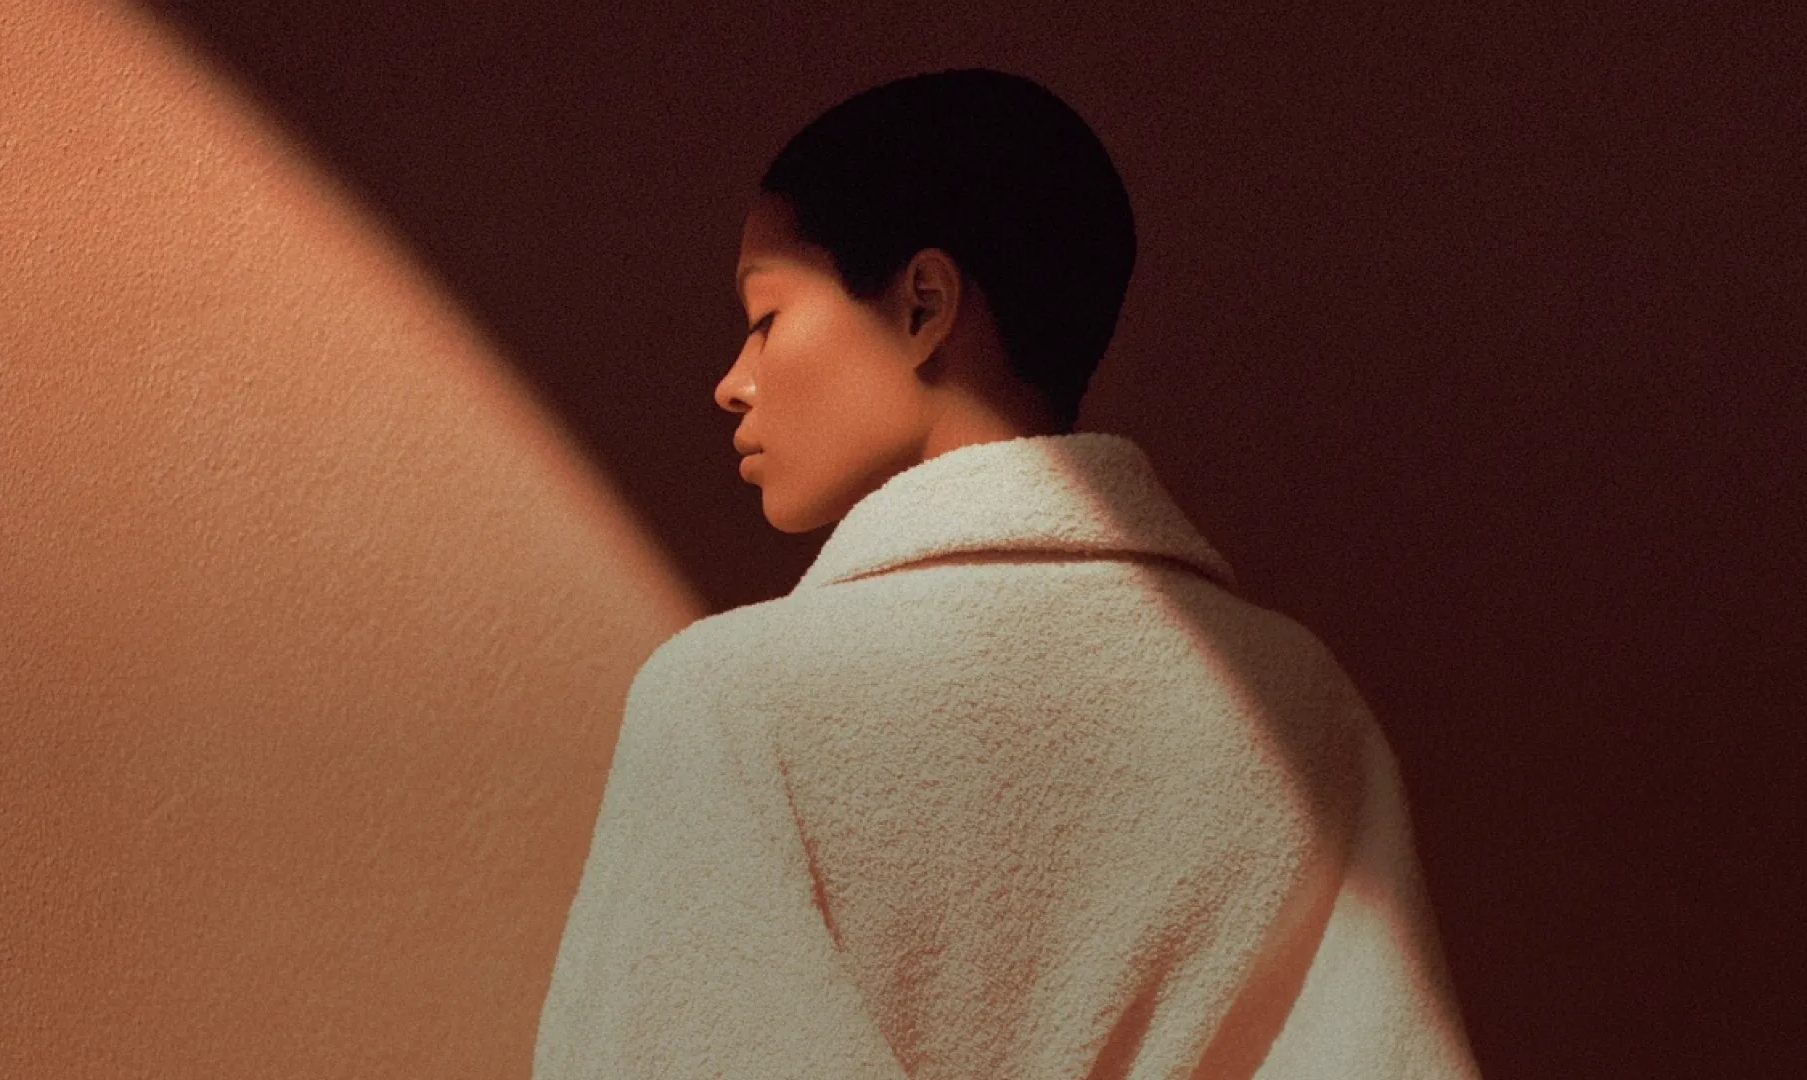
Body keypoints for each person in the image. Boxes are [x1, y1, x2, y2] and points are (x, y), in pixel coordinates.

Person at [533, 68, 1480, 1079]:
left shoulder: (724, 702)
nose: (734, 381)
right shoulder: (1297, 702)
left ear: (923, 305)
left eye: (766, 317)